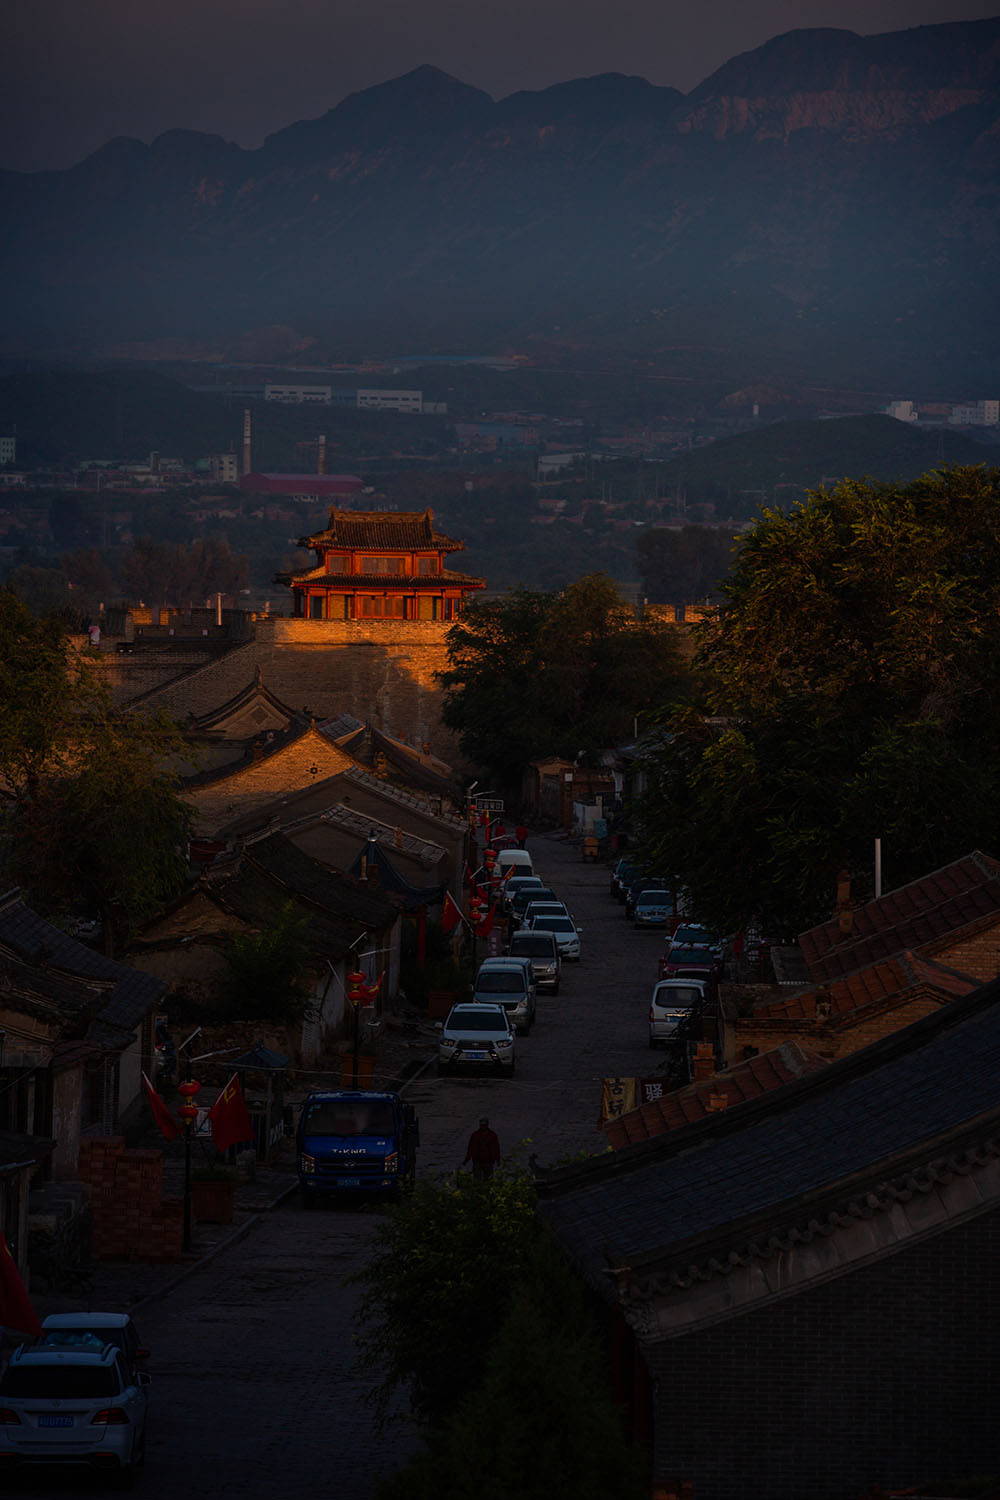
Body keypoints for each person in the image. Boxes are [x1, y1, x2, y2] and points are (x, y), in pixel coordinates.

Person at [463, 1117, 501, 1182]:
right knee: (477, 1181)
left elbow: (496, 1148)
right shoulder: (475, 1135)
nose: (483, 1127)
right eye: (482, 1125)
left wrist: (498, 1160)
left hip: (489, 1161)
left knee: (488, 1181)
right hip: (477, 1161)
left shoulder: (492, 1135)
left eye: (484, 1125)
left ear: (487, 1125)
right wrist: (467, 1159)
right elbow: (470, 1148)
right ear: (480, 1125)